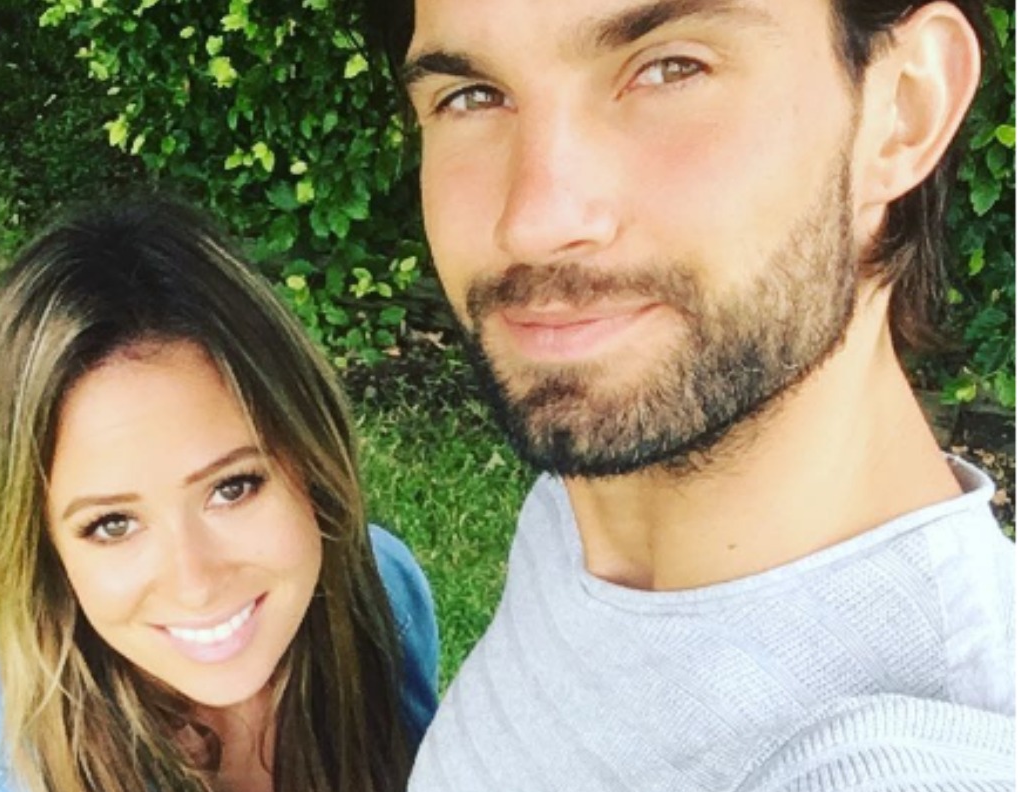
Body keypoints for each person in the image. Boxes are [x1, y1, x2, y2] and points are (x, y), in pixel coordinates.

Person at [343, 0, 1015, 788]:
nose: (533, 222)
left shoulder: (908, 758)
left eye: (671, 69)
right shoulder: (592, 499)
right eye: (473, 96)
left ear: (904, 106)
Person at [0, 198, 438, 792]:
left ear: (312, 458)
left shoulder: (381, 599)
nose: (194, 582)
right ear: (43, 551)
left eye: (232, 488)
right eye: (112, 524)